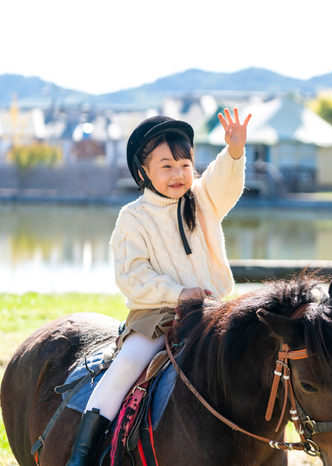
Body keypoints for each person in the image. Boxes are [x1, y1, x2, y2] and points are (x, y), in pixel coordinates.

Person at [66, 108, 250, 465]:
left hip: (211, 312)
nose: (179, 174)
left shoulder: (202, 200)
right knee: (127, 365)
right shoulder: (133, 217)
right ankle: (82, 453)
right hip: (156, 315)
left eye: (185, 164)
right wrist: (177, 293)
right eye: (166, 166)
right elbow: (132, 276)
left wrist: (235, 152)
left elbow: (223, 182)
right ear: (142, 172)